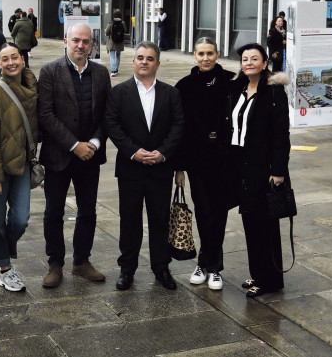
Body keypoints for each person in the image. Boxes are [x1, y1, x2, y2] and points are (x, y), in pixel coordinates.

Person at [104, 41, 183, 291]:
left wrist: (163, 153)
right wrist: (132, 152)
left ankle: (161, 267)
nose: (144, 62)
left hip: (160, 169)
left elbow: (178, 126)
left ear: (158, 64)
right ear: (133, 61)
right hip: (130, 169)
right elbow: (112, 125)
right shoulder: (119, 92)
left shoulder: (171, 93)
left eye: (150, 58)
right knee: (129, 220)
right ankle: (127, 269)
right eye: (140, 57)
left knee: (159, 220)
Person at [37, 23, 112, 288]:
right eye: (76, 40)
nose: (81, 45)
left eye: (86, 41)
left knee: (88, 211)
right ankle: (55, 264)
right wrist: (73, 145)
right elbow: (45, 114)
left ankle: (81, 262)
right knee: (53, 212)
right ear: (66, 40)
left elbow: (107, 114)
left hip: (90, 156)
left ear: (92, 44)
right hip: (59, 156)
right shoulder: (49, 71)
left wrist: (92, 142)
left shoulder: (102, 73)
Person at [227, 43, 291, 298]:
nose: (249, 62)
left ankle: (270, 280)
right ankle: (258, 273)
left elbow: (281, 135)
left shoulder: (274, 92)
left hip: (263, 168)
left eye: (255, 58)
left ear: (264, 63)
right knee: (250, 221)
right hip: (242, 165)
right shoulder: (239, 88)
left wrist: (278, 171)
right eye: (245, 59)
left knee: (265, 224)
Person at [174, 37, 234, 291]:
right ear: (195, 56)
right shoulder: (184, 86)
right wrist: (178, 167)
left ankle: (212, 266)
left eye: (210, 53)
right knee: (203, 210)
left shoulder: (231, 82)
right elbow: (177, 128)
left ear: (217, 54)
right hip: (197, 158)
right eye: (201, 53)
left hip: (223, 157)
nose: (206, 58)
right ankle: (207, 263)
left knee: (219, 212)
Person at [0, 43, 37, 292]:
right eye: (5, 59)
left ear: (22, 60)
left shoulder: (32, 89)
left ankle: (4, 251)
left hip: (22, 164)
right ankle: (4, 269)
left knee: (21, 219)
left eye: (15, 57)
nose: (11, 62)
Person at [104, 10, 128, 77]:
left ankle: (113, 70)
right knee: (118, 56)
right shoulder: (123, 23)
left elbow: (107, 33)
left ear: (113, 16)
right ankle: (116, 70)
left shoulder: (111, 23)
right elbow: (125, 30)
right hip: (120, 42)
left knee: (112, 56)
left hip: (112, 42)